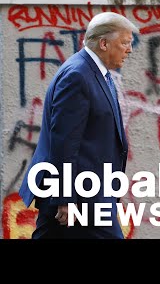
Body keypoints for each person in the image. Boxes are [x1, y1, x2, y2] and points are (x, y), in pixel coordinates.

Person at [19, 12, 139, 239]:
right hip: (79, 196)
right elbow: (64, 142)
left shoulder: (97, 73)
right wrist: (65, 199)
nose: (129, 50)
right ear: (104, 43)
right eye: (124, 43)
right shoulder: (78, 76)